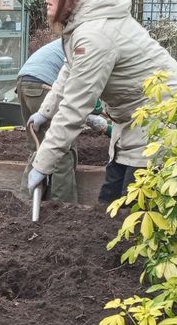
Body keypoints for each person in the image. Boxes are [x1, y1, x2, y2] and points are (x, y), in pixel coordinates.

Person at [27, 0, 177, 208]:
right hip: (135, 121)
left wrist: (43, 164)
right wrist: (47, 110)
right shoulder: (85, 24)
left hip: (161, 121)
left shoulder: (96, 34)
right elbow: (70, 70)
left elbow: (75, 108)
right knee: (109, 206)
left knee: (130, 214)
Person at [15, 39, 109, 203]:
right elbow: (84, 88)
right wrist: (99, 112)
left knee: (38, 145)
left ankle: (25, 203)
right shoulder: (93, 44)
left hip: (25, 82)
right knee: (62, 148)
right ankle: (62, 207)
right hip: (45, 86)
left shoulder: (74, 39)